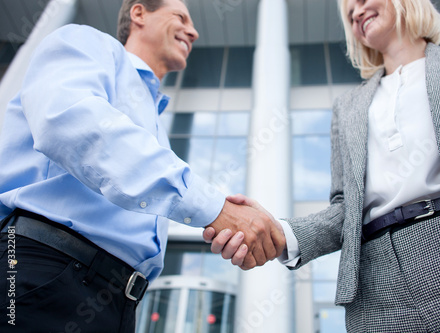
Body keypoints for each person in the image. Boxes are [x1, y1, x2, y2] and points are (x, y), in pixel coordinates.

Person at [204, 0, 440, 331]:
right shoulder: (348, 107)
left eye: (362, 1)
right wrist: (280, 233)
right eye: (349, 13)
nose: (356, 12)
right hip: (375, 280)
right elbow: (345, 207)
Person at [0, 0, 285, 331]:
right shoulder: (85, 44)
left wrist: (225, 224)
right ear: (138, 13)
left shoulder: (156, 127)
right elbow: (70, 123)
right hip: (44, 272)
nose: (193, 31)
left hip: (117, 303)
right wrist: (216, 209)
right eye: (180, 16)